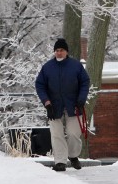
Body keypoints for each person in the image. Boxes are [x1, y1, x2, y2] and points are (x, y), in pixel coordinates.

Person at [35, 38, 90, 171]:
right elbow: (40, 85)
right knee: (56, 133)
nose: (59, 53)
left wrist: (81, 99)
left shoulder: (76, 66)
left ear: (66, 52)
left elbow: (85, 82)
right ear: (54, 52)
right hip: (53, 106)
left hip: (74, 105)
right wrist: (47, 103)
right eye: (57, 50)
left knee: (73, 133)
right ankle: (60, 161)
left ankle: (73, 156)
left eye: (62, 50)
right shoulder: (47, 67)